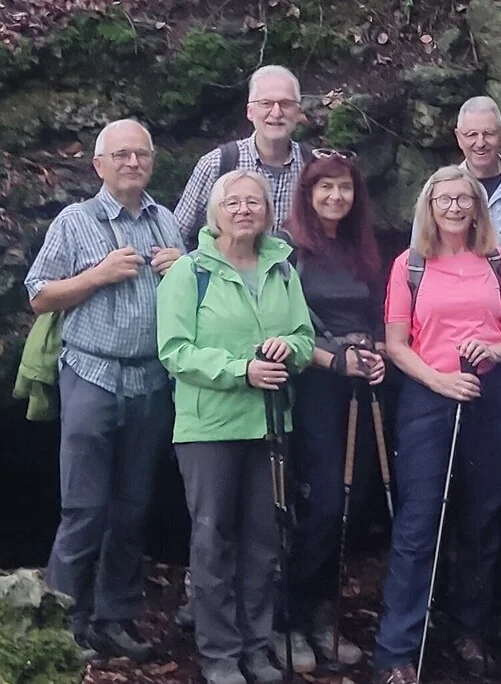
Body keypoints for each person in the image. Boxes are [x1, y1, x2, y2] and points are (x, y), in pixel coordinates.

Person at [25, 119, 183, 663]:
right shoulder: (75, 221)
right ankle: (58, 624)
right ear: (98, 165)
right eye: (121, 155)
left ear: (153, 162)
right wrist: (97, 274)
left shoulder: (166, 222)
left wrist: (184, 269)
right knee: (84, 507)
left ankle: (114, 618)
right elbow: (39, 295)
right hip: (91, 374)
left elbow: (195, 300)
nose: (132, 163)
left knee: (133, 508)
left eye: (141, 154)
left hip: (151, 379)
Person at [157, 169, 316, 684]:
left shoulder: (282, 269)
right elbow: (174, 352)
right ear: (215, 211)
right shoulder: (190, 271)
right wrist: (240, 370)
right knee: (212, 540)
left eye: (254, 202)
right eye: (234, 202)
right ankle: (220, 654)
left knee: (264, 541)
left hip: (270, 424)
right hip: (209, 429)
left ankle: (255, 645)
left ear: (268, 211)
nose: (245, 210)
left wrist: (286, 350)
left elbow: (304, 337)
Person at [373, 166, 501, 684]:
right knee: (420, 522)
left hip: (490, 393)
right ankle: (398, 648)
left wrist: (492, 349)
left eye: (466, 198)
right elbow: (396, 344)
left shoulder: (497, 260)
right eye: (446, 198)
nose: (456, 207)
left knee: (483, 517)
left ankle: (469, 628)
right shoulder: (410, 264)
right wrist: (440, 382)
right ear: (429, 205)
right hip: (428, 395)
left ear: (479, 207)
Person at [269, 150, 387, 671]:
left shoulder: (361, 250)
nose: (336, 197)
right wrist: (335, 361)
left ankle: (322, 615)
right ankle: (287, 620)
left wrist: (376, 356)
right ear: (308, 194)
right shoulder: (290, 250)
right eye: (325, 188)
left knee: (353, 498)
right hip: (315, 385)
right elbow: (283, 322)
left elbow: (379, 315)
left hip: (361, 387)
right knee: (319, 502)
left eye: (344, 187)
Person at [175, 65, 312, 249]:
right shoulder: (218, 164)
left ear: (298, 112)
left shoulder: (312, 168)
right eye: (266, 103)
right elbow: (176, 236)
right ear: (250, 112)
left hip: (292, 277)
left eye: (286, 104)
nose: (277, 112)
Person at [407, 96, 501, 256]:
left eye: (489, 133)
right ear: (459, 138)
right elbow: (419, 252)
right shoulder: (437, 189)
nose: (480, 143)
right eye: (471, 134)